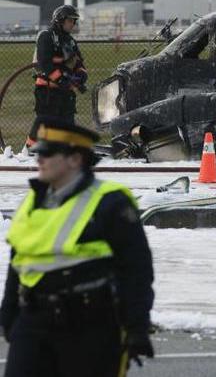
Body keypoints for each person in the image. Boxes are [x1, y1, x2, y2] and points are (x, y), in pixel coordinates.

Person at [0, 120, 154, 376]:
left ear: (74, 159)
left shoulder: (110, 202)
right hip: (33, 323)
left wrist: (137, 327)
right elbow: (19, 261)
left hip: (89, 325)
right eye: (39, 152)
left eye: (48, 153)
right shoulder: (32, 201)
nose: (40, 159)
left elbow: (136, 271)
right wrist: (8, 315)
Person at [26, 5, 88, 148]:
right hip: (47, 91)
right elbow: (45, 64)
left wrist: (81, 75)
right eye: (70, 21)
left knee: (68, 125)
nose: (73, 24)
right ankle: (28, 151)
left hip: (66, 92)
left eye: (74, 21)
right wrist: (61, 79)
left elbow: (79, 63)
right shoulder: (46, 36)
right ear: (60, 20)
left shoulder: (70, 41)